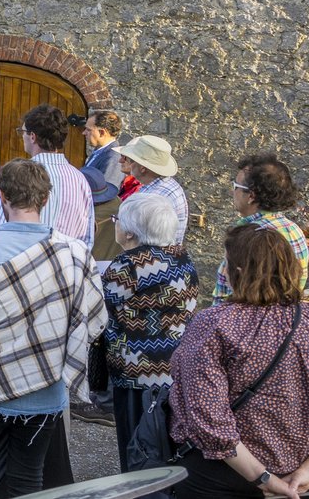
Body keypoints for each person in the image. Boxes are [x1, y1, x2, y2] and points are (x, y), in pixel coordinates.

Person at [170, 223, 309, 499]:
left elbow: (207, 414)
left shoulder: (215, 324)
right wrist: (307, 475)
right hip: (294, 480)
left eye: (226, 264)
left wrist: (264, 478)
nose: (224, 272)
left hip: (219, 476)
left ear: (238, 271)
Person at [0, 158, 106, 499]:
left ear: (1, 196)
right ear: (45, 199)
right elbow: (93, 320)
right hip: (46, 390)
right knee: (28, 480)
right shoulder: (75, 253)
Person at [101, 193, 198, 472]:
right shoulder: (182, 259)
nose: (115, 224)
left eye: (117, 220)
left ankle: (138, 487)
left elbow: (101, 310)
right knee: (165, 442)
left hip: (135, 372)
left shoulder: (126, 266)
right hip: (175, 367)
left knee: (135, 443)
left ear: (130, 232)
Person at [0, 103, 95, 248]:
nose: (22, 137)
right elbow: (87, 238)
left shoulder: (15, 176)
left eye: (23, 132)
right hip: (68, 260)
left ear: (32, 136)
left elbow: (0, 233)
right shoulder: (80, 179)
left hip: (23, 259)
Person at [214, 152, 309, 298]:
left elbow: (230, 293)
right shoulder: (294, 229)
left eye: (235, 186)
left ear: (251, 196)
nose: (232, 191)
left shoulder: (249, 238)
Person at [115, 135, 188, 243]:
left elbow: (144, 239)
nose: (121, 160)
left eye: (129, 160)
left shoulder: (154, 197)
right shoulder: (162, 185)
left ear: (142, 168)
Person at [83, 110, 124, 191]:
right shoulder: (99, 152)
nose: (84, 133)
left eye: (88, 130)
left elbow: (106, 192)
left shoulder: (113, 157)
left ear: (102, 132)